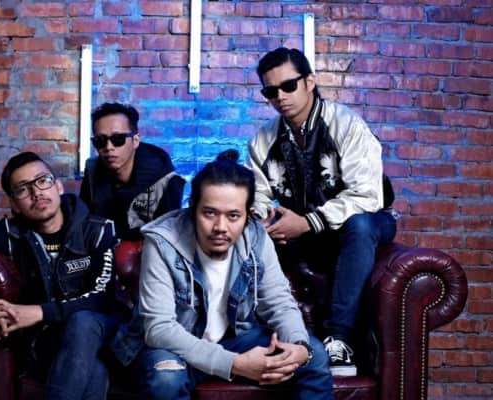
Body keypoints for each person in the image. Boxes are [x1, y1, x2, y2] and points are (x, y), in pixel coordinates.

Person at [111, 150, 333, 400]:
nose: (220, 227)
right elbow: (159, 329)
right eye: (209, 213)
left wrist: (299, 345)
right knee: (166, 378)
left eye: (233, 216)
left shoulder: (256, 237)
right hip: (174, 349)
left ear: (248, 215)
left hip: (234, 340)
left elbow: (278, 303)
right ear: (192, 208)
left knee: (314, 354)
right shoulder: (162, 241)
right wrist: (234, 364)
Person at [247, 47, 397, 377]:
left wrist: (308, 222)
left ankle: (339, 339)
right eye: (271, 92)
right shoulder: (262, 140)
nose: (280, 97)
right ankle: (253, 337)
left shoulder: (346, 125)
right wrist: (267, 221)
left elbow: (367, 195)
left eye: (288, 86)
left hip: (364, 222)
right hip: (306, 232)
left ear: (310, 82)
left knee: (360, 224)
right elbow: (256, 195)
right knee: (246, 230)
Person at [0, 151, 120, 400]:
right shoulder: (10, 233)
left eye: (43, 181)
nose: (37, 192)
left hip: (102, 330)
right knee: (95, 372)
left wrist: (38, 312)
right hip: (50, 341)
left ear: (58, 186)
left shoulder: (97, 229)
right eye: (23, 189)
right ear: (14, 203)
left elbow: (102, 299)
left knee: (83, 322)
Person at [79, 102, 185, 240]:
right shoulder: (93, 171)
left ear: (135, 140)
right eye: (100, 140)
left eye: (118, 139)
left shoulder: (166, 180)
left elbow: (170, 240)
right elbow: (83, 225)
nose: (108, 147)